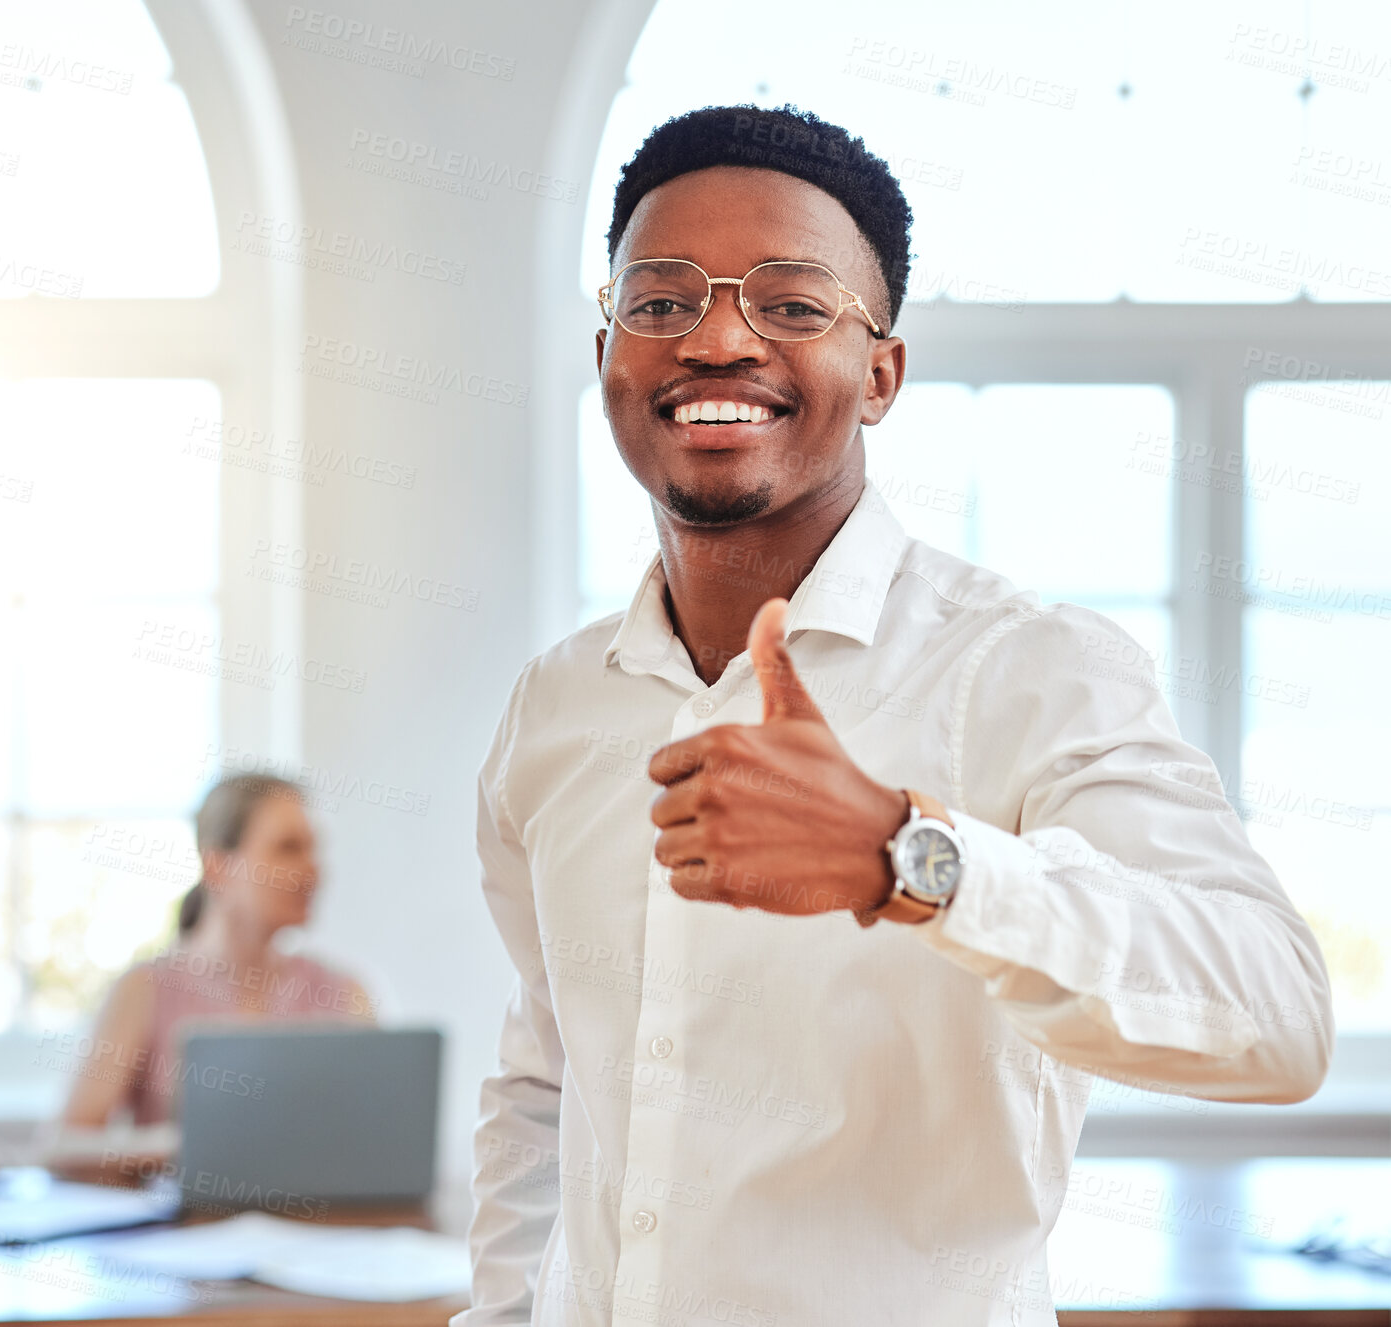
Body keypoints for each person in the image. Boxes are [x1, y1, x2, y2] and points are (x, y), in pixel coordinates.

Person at [455, 104, 1334, 1326]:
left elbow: (1276, 1020)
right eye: (659, 301)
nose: (715, 338)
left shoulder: (1031, 670)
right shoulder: (556, 706)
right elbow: (552, 1076)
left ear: (880, 374)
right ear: (607, 345)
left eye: (792, 303)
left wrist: (906, 858)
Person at [62, 774, 376, 1128]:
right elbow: (66, 1147)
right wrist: (182, 1150)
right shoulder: (144, 992)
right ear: (217, 866)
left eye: (313, 848)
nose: (314, 869)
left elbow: (380, 1134)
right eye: (288, 848)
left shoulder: (344, 995)